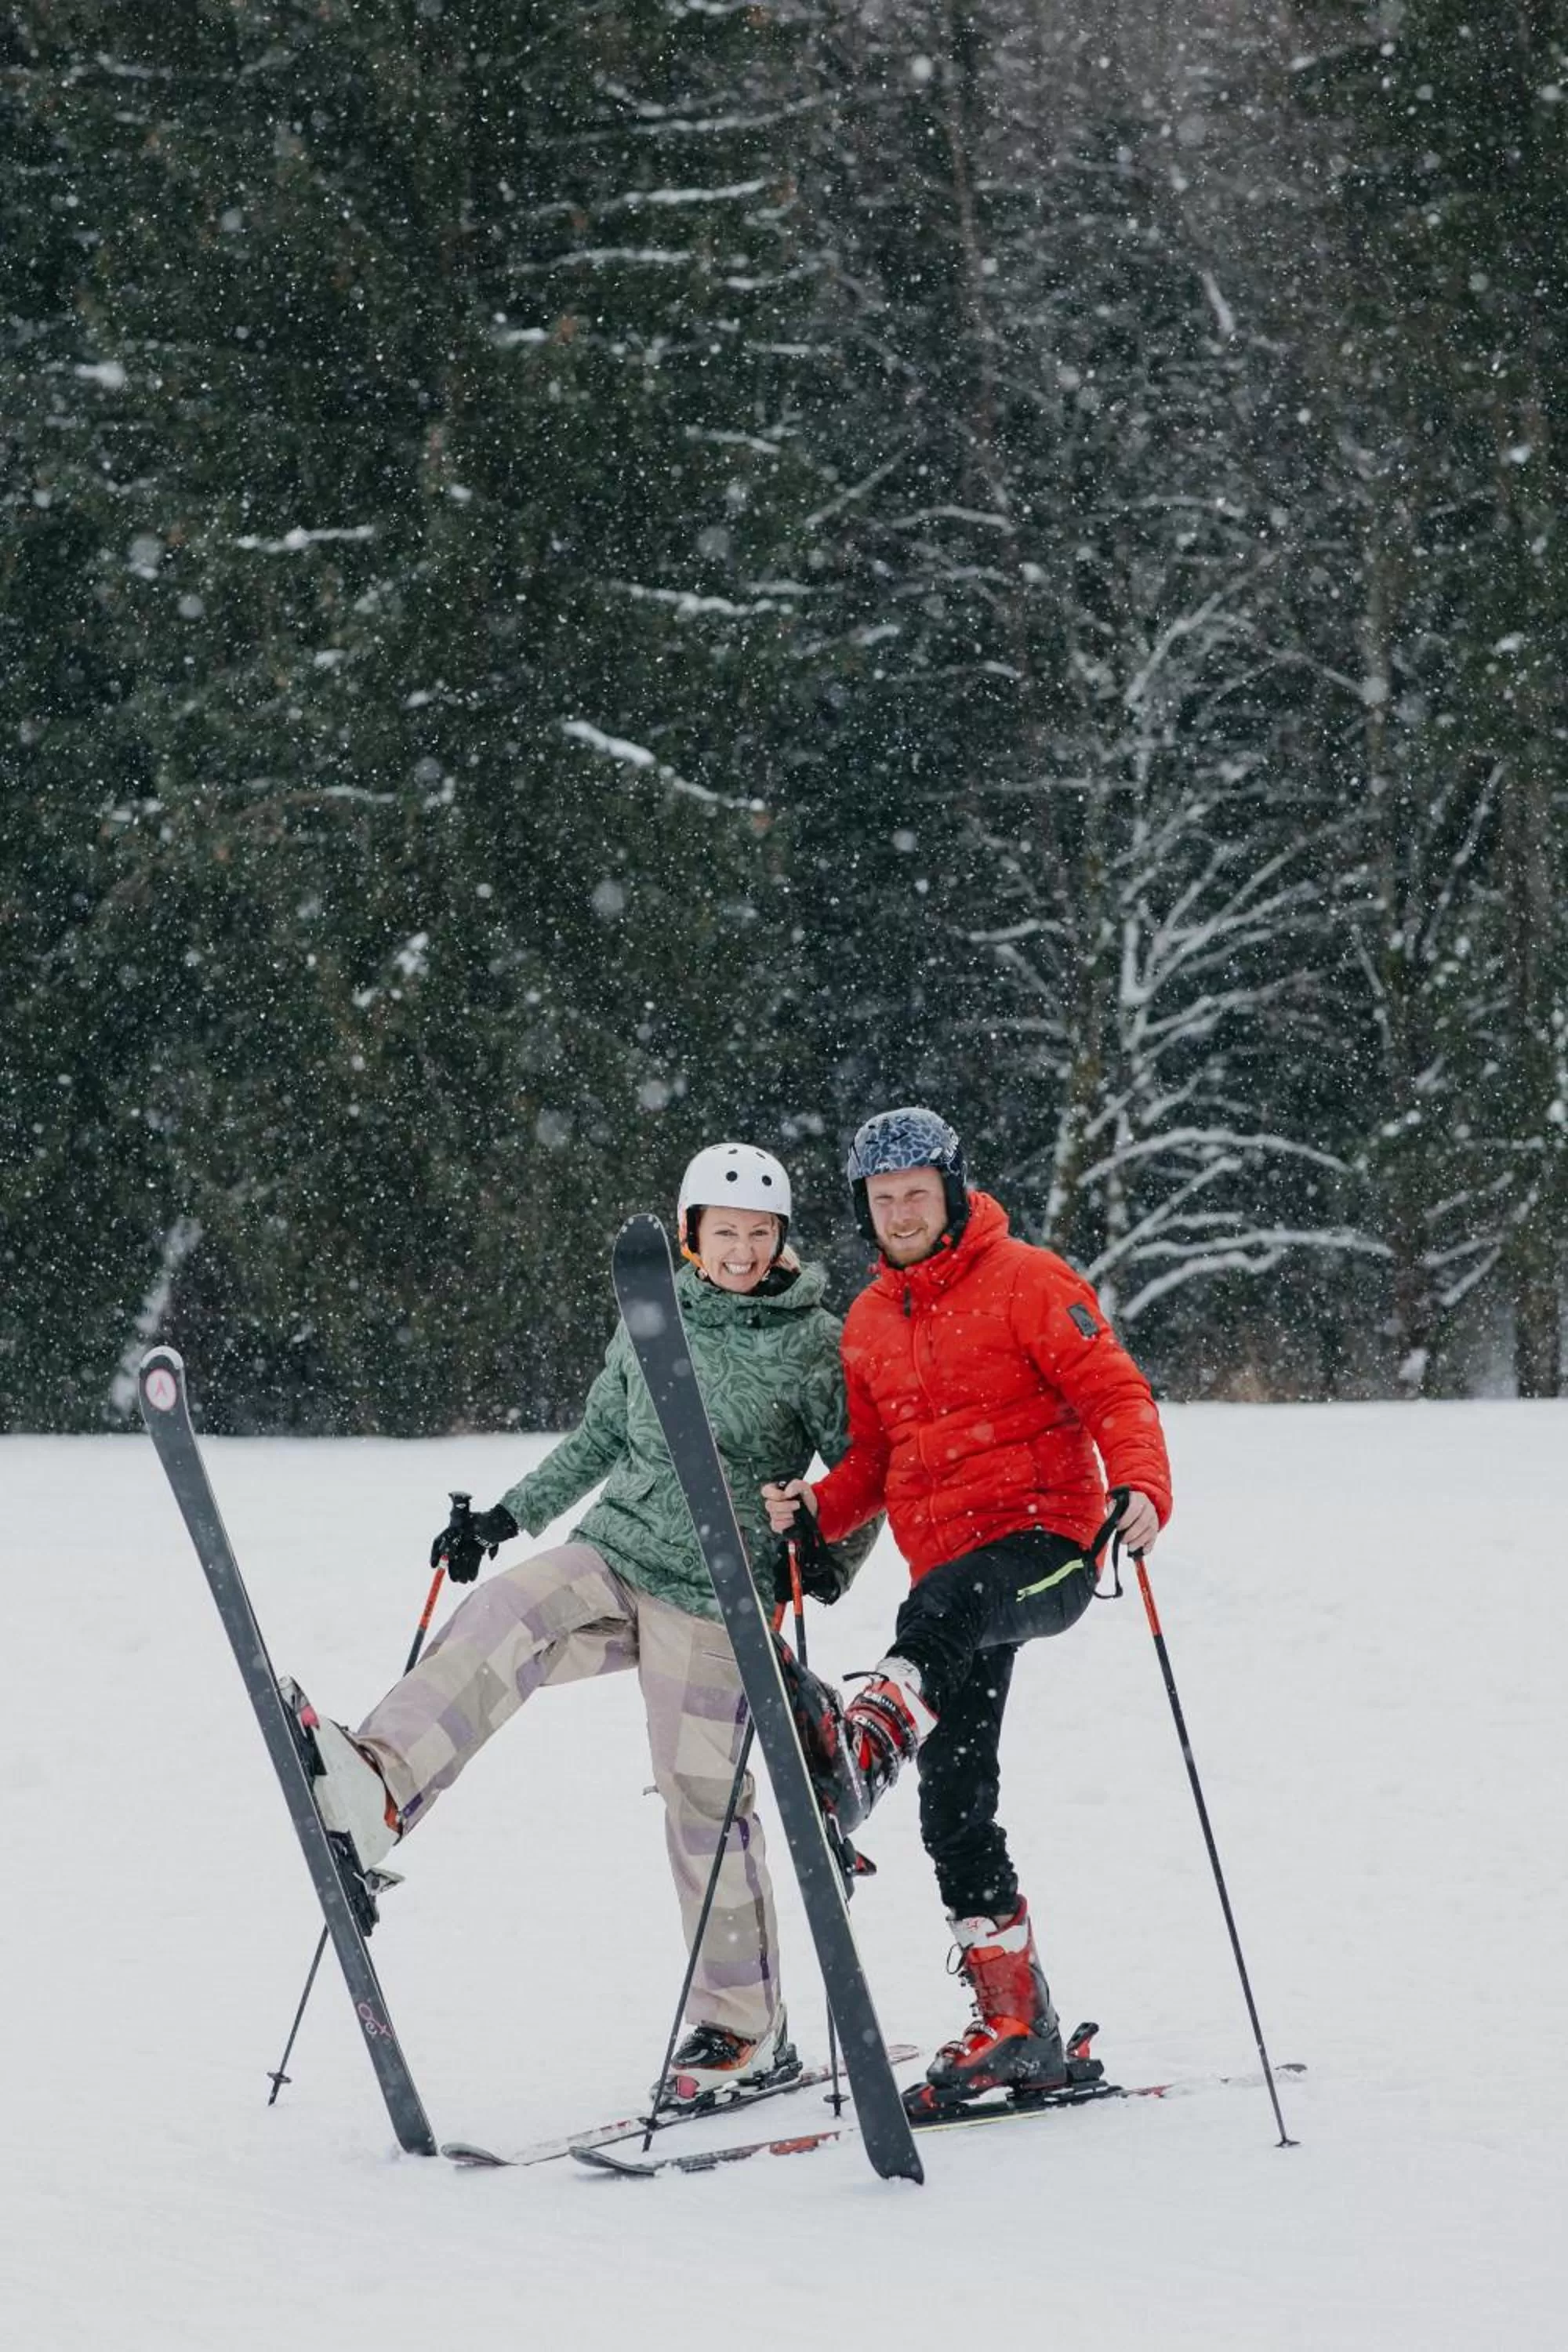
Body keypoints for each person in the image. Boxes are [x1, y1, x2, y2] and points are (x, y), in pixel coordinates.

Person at [285, 1142, 873, 2112]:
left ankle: (745, 2029)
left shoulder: (811, 1342)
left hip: (717, 1592)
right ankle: (377, 1789)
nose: (740, 1251)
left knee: (699, 1798)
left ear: (781, 1243)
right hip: (618, 1549)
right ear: (688, 1239)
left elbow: (859, 1473)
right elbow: (601, 1437)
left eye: (758, 1235)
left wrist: (822, 1546)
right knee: (507, 1610)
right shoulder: (655, 1314)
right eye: (722, 1233)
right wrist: (504, 1519)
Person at [764, 1105, 1172, 2117]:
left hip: (1046, 1549)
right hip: (943, 1594)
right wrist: (817, 1505)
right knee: (953, 1803)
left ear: (951, 1193)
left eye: (915, 1194)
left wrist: (1140, 1488)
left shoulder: (1029, 1281)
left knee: (943, 1604)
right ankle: (1016, 2023)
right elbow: (874, 1463)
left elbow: (1114, 1392)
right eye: (881, 1198)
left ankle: (862, 1745)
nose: (899, 1212)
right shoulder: (867, 1321)